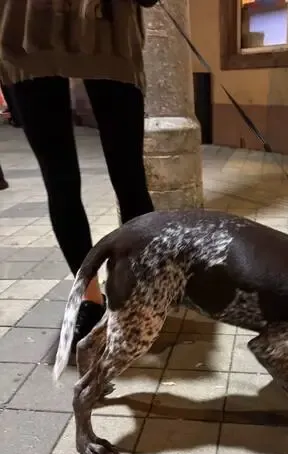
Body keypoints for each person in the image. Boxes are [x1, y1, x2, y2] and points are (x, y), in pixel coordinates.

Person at [0, 0, 159, 349]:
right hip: (27, 28)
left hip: (107, 31)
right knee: (61, 182)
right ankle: (90, 299)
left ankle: (138, 291)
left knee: (129, 179)